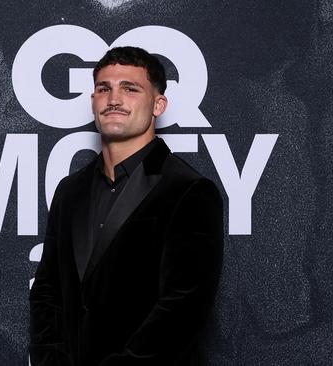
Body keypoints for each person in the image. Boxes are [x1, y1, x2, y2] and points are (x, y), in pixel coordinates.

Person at [29, 46, 223, 366]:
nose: (114, 99)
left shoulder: (189, 191)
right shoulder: (70, 191)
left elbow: (183, 308)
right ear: (93, 102)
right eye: (104, 89)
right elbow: (46, 293)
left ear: (158, 104)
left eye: (130, 89)